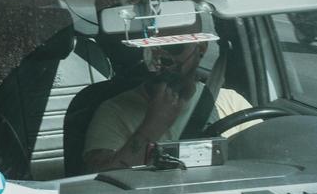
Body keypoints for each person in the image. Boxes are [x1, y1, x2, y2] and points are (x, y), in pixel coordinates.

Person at [83, 38, 252, 172]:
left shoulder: (231, 102)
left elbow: (264, 159)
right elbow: (97, 185)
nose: (160, 57)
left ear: (200, 48)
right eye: (150, 48)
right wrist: (153, 126)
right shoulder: (114, 111)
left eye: (173, 47)